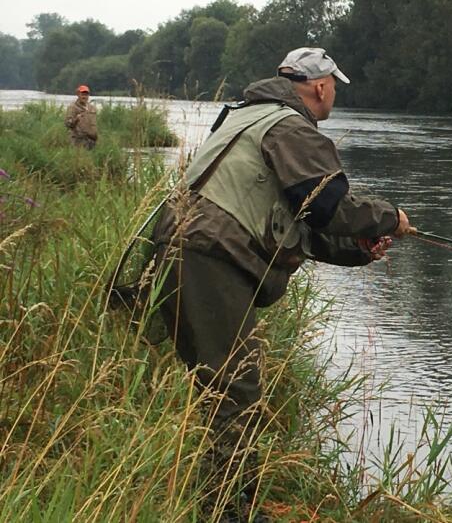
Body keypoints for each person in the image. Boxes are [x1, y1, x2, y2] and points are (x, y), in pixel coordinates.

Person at [149, 47, 415, 521]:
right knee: (236, 390)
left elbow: (296, 220)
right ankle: (229, 512)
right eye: (334, 85)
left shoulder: (244, 117)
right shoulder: (291, 128)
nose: (334, 94)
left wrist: (358, 250)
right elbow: (329, 206)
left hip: (178, 248)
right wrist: (389, 218)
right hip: (211, 256)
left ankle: (220, 503)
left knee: (220, 388)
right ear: (319, 86)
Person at [64, 84, 98, 149]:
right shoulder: (72, 107)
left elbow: (94, 124)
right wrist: (76, 119)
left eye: (86, 94)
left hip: (92, 140)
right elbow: (67, 124)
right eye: (82, 94)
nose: (84, 96)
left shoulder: (92, 108)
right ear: (78, 94)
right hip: (78, 141)